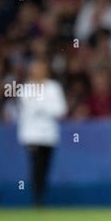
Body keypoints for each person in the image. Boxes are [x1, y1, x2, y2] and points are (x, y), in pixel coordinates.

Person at [18, 58, 67, 207]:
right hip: (31, 135)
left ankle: (40, 196)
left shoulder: (54, 87)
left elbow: (61, 110)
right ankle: (37, 198)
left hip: (49, 135)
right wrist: (45, 107)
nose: (38, 72)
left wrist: (42, 107)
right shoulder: (25, 88)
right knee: (36, 165)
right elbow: (27, 109)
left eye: (41, 68)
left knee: (45, 166)